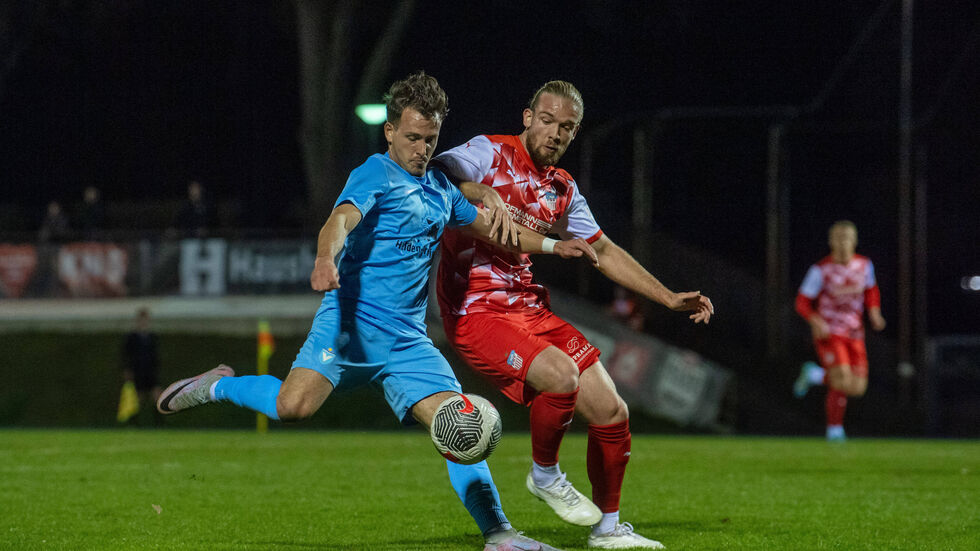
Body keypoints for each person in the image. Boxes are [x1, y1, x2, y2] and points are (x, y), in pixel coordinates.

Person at [156, 72, 597, 551]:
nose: (421, 149)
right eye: (411, 138)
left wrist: (555, 245)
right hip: (349, 326)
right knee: (292, 407)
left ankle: (500, 535)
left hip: (407, 341)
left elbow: (495, 232)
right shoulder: (374, 174)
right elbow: (340, 219)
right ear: (390, 132)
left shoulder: (440, 190)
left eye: (430, 140)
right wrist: (326, 258)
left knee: (457, 422)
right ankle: (216, 384)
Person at [431, 80, 714, 550]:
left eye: (567, 127)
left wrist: (667, 298)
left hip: (527, 307)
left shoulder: (561, 189)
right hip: (475, 309)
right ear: (527, 117)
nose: (555, 133)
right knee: (561, 376)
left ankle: (608, 529)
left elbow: (601, 249)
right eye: (547, 121)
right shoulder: (488, 152)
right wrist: (481, 189)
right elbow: (434, 176)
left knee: (612, 410)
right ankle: (544, 475)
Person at [793, 220, 886, 441]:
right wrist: (816, 321)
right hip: (830, 332)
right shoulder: (820, 270)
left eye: (847, 238)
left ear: (854, 241)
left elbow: (871, 291)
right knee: (842, 377)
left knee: (857, 387)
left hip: (855, 332)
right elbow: (802, 302)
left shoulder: (864, 265)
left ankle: (815, 375)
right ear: (831, 242)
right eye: (839, 238)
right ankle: (834, 430)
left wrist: (874, 313)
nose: (843, 243)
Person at [122, 307, 162, 425]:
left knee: (157, 396)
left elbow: (156, 356)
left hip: (150, 371)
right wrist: (127, 370)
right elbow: (126, 355)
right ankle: (134, 423)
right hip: (138, 370)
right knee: (137, 398)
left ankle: (159, 424)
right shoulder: (131, 337)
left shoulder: (152, 337)